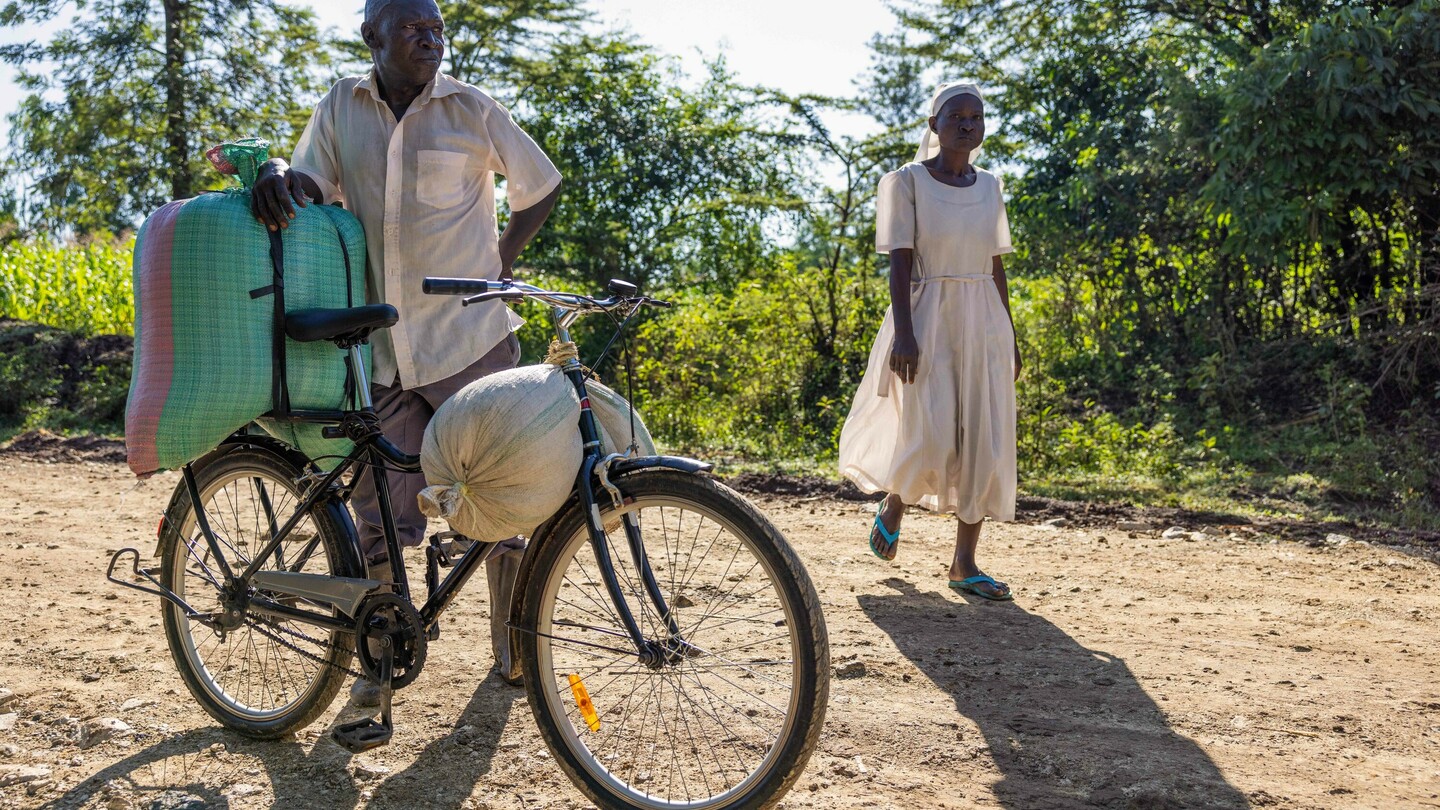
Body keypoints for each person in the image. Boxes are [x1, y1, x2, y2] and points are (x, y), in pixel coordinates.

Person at [250, 0, 563, 696]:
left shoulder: (472, 109)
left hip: (469, 342)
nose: (432, 36)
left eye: (438, 26)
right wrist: (273, 166)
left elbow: (540, 185)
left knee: (503, 506)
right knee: (382, 517)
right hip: (383, 349)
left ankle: (513, 657)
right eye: (414, 26)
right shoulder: (341, 107)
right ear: (373, 37)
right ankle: (383, 661)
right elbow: (310, 183)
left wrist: (504, 256)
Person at [837, 82, 1020, 601]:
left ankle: (965, 564)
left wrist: (1010, 336)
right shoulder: (907, 182)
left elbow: (994, 263)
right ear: (934, 125)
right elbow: (899, 262)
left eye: (977, 116)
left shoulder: (991, 186)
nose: (968, 124)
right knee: (932, 431)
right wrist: (905, 334)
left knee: (981, 437)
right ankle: (896, 501)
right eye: (956, 116)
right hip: (926, 316)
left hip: (983, 320)